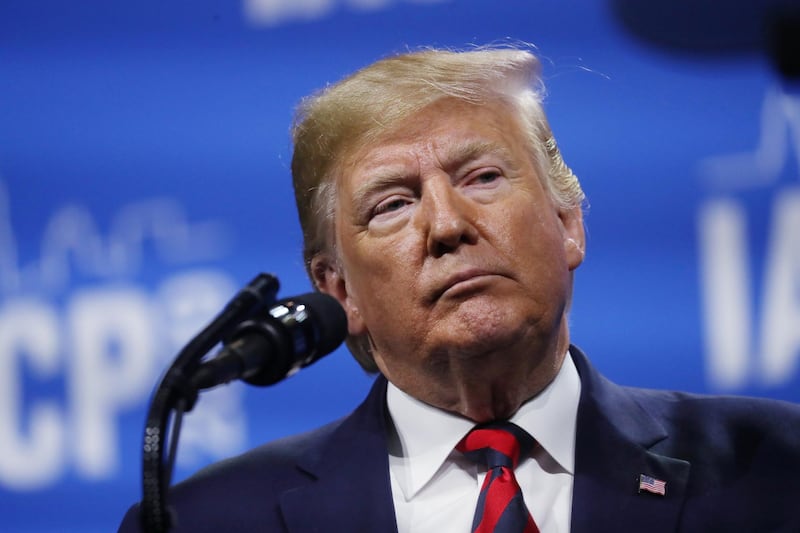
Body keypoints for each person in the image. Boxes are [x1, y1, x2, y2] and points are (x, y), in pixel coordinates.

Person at [119, 46, 800, 532]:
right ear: (337, 289)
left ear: (569, 224)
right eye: (391, 204)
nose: (446, 224)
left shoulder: (775, 470)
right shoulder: (210, 521)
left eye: (482, 177)